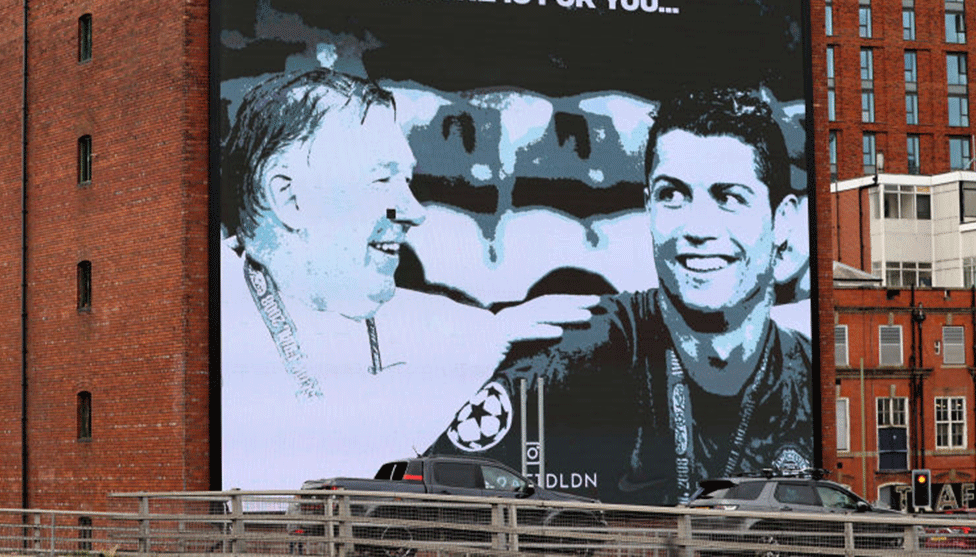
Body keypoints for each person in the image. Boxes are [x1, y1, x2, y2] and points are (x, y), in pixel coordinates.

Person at [428, 86, 814, 506]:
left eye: (728, 198)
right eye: (672, 195)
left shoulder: (810, 375)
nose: (698, 228)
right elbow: (426, 504)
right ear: (648, 207)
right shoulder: (572, 356)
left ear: (783, 220)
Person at [218, 68, 594, 489]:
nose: (415, 211)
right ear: (289, 198)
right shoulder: (201, 327)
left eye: (407, 181)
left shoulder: (446, 325)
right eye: (381, 180)